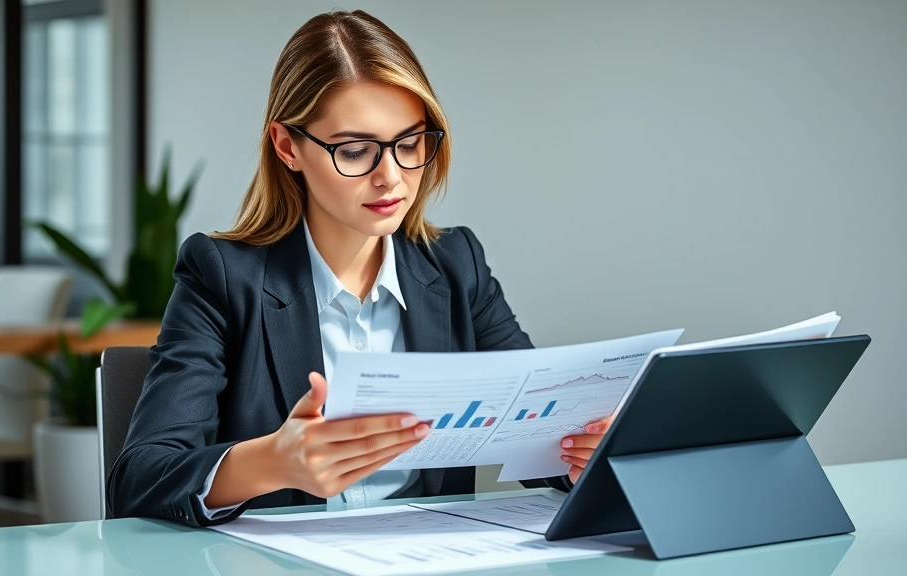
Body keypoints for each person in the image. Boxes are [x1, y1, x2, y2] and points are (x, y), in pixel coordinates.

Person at [107, 9, 611, 527]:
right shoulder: (224, 276)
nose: (391, 177)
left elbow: (543, 438)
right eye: (354, 151)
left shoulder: (458, 267)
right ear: (287, 147)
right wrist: (273, 462)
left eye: (410, 143)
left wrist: (584, 450)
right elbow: (141, 479)